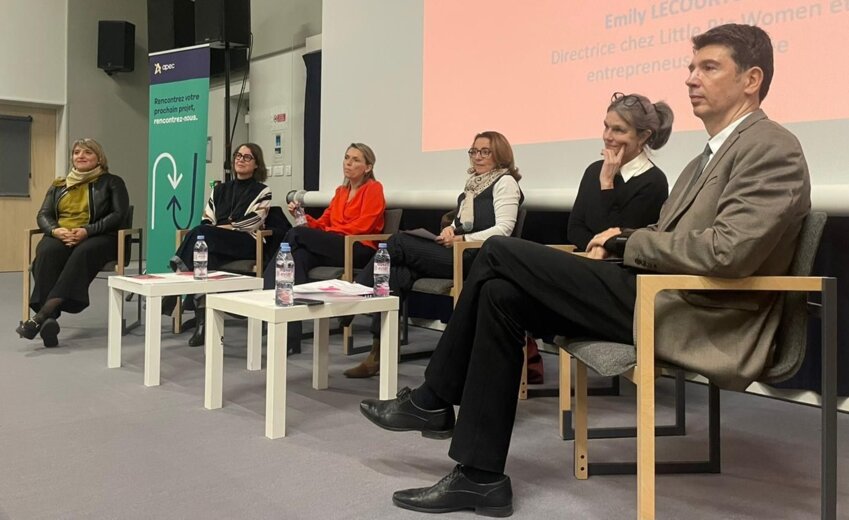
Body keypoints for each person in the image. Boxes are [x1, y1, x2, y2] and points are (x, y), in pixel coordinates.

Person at [359, 23, 810, 517]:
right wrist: (618, 246)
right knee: (499, 296)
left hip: (695, 312)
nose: (691, 80)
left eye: (708, 67)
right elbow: (665, 235)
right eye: (691, 68)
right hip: (655, 292)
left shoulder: (771, 147)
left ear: (752, 79)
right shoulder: (705, 158)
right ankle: (479, 476)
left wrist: (627, 241)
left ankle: (433, 396)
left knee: (496, 254)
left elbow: (731, 253)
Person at [342, 131, 523, 378]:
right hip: (458, 251)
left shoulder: (505, 183)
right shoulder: (471, 187)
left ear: (500, 154)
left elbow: (503, 230)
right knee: (397, 272)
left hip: (476, 259)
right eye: (473, 151)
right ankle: (380, 351)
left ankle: (350, 300)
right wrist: (450, 229)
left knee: (397, 242)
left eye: (485, 152)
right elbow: (463, 223)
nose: (477, 157)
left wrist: (462, 239)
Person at [263, 143, 385, 354]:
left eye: (356, 159)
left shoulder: (374, 189)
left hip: (357, 248)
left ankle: (265, 291)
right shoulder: (340, 192)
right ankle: (291, 333)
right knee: (298, 257)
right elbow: (323, 222)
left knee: (295, 235)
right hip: (333, 246)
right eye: (347, 157)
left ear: (367, 167)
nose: (348, 163)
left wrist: (326, 234)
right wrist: (302, 216)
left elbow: (363, 226)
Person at [16, 138, 129, 348]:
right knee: (47, 251)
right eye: (77, 152)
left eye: (87, 152)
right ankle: (49, 319)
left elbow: (118, 215)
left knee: (82, 253)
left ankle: (42, 315)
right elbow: (44, 215)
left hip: (100, 237)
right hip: (63, 235)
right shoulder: (59, 184)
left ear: (99, 158)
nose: (81, 156)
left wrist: (88, 230)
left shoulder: (112, 182)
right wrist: (55, 230)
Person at [167, 142, 272, 346]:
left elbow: (254, 221)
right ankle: (203, 324)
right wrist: (215, 229)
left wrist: (223, 228)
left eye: (247, 157)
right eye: (238, 156)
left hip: (246, 241)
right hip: (215, 242)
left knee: (201, 234)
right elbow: (208, 217)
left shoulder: (262, 190)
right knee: (205, 258)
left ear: (256, 164)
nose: (240, 160)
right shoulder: (220, 189)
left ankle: (176, 284)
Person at [567, 92, 672, 251]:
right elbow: (574, 229)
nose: (607, 136)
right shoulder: (593, 170)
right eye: (606, 127)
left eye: (618, 130)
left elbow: (621, 240)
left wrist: (607, 184)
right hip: (587, 259)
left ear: (643, 136)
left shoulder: (654, 181)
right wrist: (598, 248)